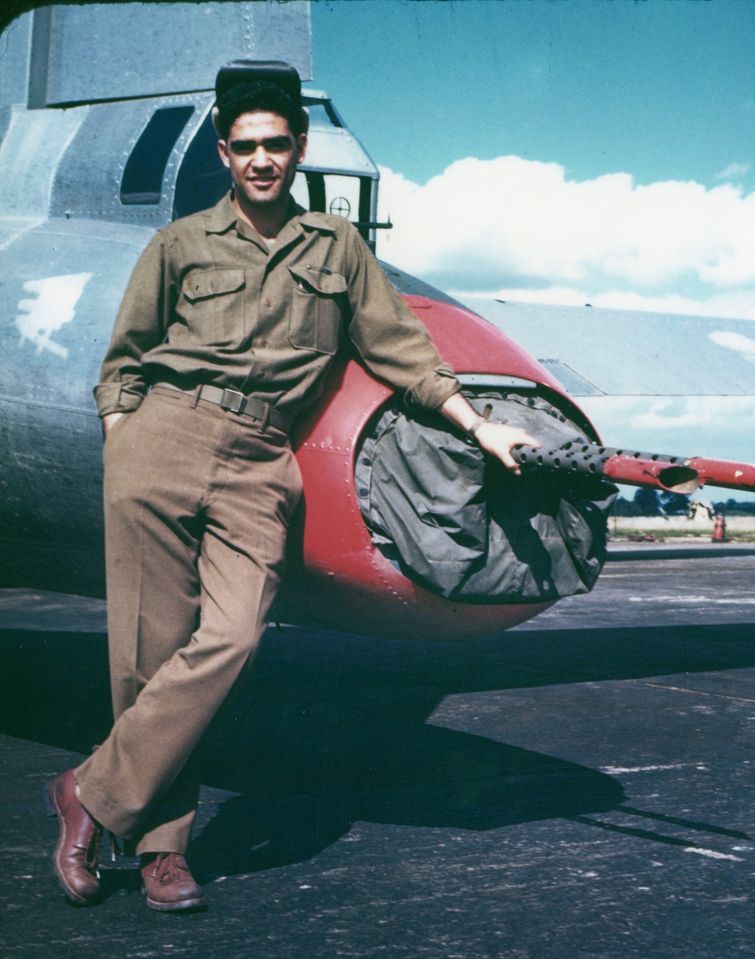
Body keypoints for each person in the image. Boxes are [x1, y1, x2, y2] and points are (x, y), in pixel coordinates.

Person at [45, 60, 536, 913]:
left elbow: (401, 354)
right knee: (147, 656)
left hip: (258, 456)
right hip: (162, 439)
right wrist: (125, 435)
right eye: (245, 147)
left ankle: (89, 790)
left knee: (231, 638)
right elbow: (123, 360)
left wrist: (479, 422)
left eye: (277, 144)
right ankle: (163, 852)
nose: (262, 160)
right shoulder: (179, 243)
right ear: (225, 155)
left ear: (299, 150)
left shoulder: (338, 249)